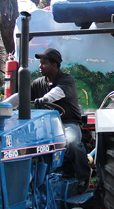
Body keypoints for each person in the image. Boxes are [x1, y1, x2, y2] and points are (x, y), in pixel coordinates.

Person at [7, 48, 90, 191]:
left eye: (44, 63)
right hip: (45, 125)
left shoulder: (66, 80)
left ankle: (83, 177)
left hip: (67, 122)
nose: (40, 66)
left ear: (54, 65)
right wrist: (3, 106)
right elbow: (21, 95)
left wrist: (44, 99)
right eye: (40, 63)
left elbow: (57, 93)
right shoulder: (38, 83)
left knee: (72, 143)